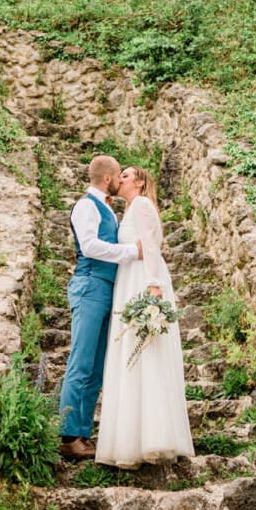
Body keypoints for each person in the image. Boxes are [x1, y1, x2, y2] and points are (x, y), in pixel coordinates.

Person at [95, 165, 194, 468]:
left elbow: (151, 246)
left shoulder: (141, 204)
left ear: (138, 182)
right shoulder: (128, 209)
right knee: (132, 354)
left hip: (142, 280)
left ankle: (154, 434)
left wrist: (153, 285)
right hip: (129, 279)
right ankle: (132, 436)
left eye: (125, 175)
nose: (120, 178)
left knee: (144, 351)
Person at [59, 155, 143, 461]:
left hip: (108, 289)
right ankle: (68, 437)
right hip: (90, 285)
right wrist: (131, 252)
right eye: (119, 175)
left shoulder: (108, 207)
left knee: (96, 367)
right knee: (81, 362)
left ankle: (82, 433)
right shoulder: (86, 206)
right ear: (107, 178)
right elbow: (90, 246)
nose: (122, 180)